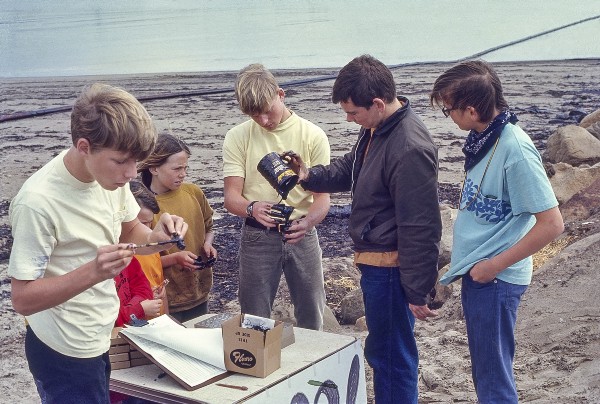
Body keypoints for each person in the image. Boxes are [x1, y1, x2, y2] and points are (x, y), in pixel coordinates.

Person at [8, 83, 187, 404]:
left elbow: (132, 232)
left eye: (136, 162)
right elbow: (22, 299)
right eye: (121, 161)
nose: (131, 173)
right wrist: (93, 272)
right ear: (84, 146)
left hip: (103, 334)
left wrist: (158, 238)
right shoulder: (37, 202)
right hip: (62, 350)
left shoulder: (110, 177)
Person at [285, 54, 441, 403]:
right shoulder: (377, 127)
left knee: (390, 356)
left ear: (377, 103)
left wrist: (418, 289)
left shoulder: (409, 146)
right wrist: (309, 176)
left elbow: (421, 225)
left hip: (389, 266)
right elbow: (351, 167)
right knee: (386, 352)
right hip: (376, 261)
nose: (348, 119)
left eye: (353, 112)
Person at [429, 60, 564, 403]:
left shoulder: (515, 149)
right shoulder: (482, 138)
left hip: (496, 279)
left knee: (492, 378)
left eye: (449, 111)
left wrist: (493, 266)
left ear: (471, 110)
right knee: (486, 371)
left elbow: (552, 224)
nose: (450, 117)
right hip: (481, 273)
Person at [222, 63, 331, 331]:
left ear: (281, 95)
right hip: (257, 235)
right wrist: (251, 208)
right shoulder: (237, 137)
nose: (263, 121)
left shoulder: (313, 135)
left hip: (302, 233)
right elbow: (231, 197)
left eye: (267, 112)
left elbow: (322, 199)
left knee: (312, 311)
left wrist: (307, 224)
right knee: (254, 317)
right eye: (253, 115)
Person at [138, 133, 217, 323]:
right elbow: (138, 256)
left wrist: (208, 244)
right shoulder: (143, 207)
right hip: (163, 297)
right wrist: (175, 259)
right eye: (177, 168)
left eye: (185, 168)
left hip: (198, 290)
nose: (183, 174)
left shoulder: (194, 192)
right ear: (154, 168)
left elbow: (209, 226)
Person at [129, 179, 170, 317]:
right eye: (141, 224)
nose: (147, 230)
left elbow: (160, 283)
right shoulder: (124, 254)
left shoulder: (152, 245)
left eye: (150, 223)